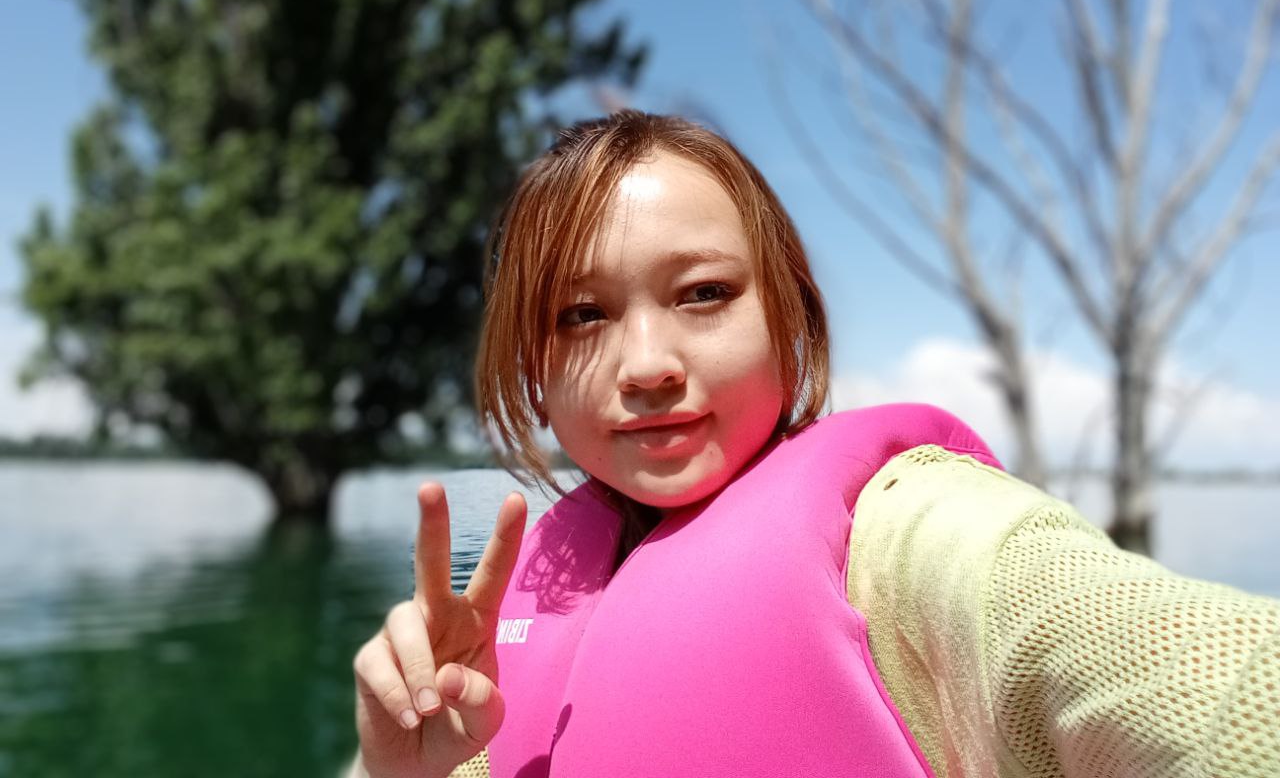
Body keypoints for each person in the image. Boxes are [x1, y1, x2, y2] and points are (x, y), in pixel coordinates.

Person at [347, 111, 1280, 778]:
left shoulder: (912, 529)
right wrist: (405, 767)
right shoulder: (513, 600)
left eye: (704, 294)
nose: (647, 365)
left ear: (788, 319)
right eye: (581, 315)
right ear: (533, 365)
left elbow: (1220, 692)